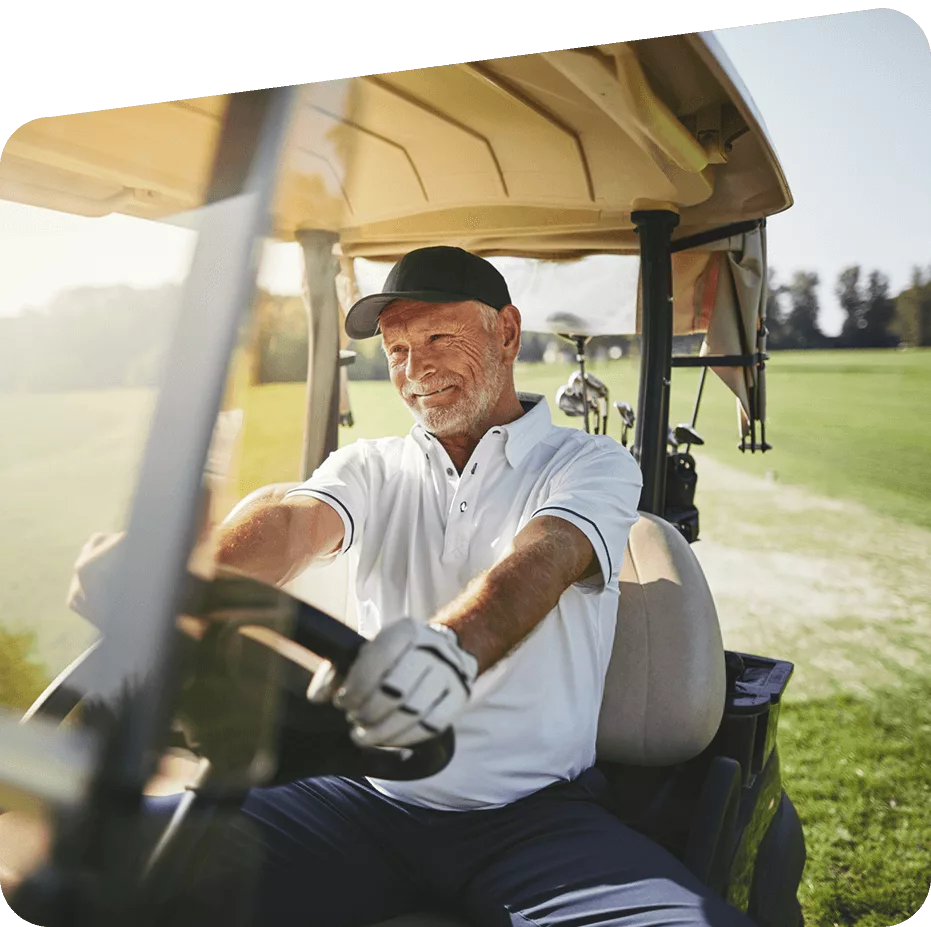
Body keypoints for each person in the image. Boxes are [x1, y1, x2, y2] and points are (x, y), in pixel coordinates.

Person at [3, 247, 756, 927]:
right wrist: (180, 578)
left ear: (505, 331)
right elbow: (294, 524)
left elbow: (546, 555)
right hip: (359, 797)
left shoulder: (586, 463)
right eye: (395, 349)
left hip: (530, 815)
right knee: (87, 866)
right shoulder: (371, 466)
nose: (413, 368)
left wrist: (447, 649)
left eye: (436, 339)